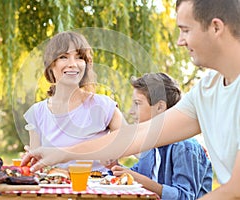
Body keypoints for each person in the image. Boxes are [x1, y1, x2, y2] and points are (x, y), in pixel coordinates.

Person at [21, 0, 240, 198]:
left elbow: (234, 191)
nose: (180, 41)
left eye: (185, 30)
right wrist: (59, 154)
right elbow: (136, 135)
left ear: (216, 27)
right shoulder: (207, 89)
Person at [23, 31, 123, 172]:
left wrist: (112, 152)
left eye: (79, 57)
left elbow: (130, 141)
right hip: (57, 189)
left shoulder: (104, 105)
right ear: (51, 65)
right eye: (64, 57)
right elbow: (38, 167)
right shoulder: (37, 113)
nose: (73, 64)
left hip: (98, 189)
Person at [111, 73, 212, 199]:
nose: (131, 111)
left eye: (137, 103)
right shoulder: (151, 143)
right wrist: (114, 167)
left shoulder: (185, 146)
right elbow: (135, 173)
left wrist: (141, 180)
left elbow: (185, 196)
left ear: (160, 107)